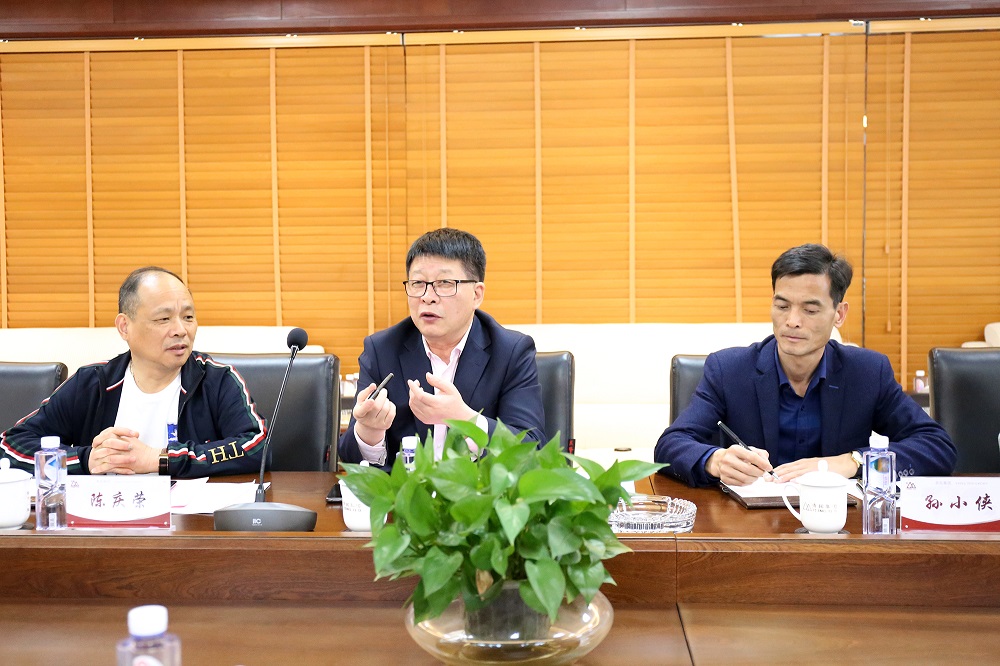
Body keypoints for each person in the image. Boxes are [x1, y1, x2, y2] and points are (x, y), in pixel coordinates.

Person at [655, 243, 956, 488]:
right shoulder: (729, 369)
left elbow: (936, 447)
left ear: (839, 314)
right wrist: (715, 460)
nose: (792, 321)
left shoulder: (867, 372)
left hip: (838, 526)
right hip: (751, 526)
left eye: (810, 310)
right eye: (782, 306)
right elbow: (671, 444)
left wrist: (852, 462)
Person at [0, 267, 266, 478]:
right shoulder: (93, 383)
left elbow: (258, 446)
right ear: (124, 327)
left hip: (190, 524)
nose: (180, 330)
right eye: (163, 319)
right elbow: (10, 446)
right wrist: (86, 459)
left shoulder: (216, 380)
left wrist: (160, 459)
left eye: (188, 317)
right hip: (105, 521)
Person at [339, 228, 545, 468]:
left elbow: (532, 450)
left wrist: (464, 418)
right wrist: (369, 431)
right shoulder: (382, 350)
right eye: (418, 283)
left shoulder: (511, 352)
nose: (428, 297)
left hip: (479, 491)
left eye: (445, 283)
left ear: (477, 294)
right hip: (406, 491)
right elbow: (350, 458)